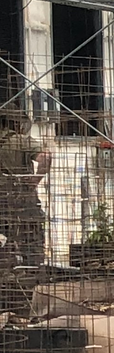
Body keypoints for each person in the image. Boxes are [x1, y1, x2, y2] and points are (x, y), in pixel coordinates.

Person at [0, 102, 49, 268]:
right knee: (31, 247)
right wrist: (35, 179)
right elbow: (45, 158)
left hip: (2, 207)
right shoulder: (21, 141)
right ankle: (30, 280)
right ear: (16, 122)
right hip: (24, 205)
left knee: (5, 251)